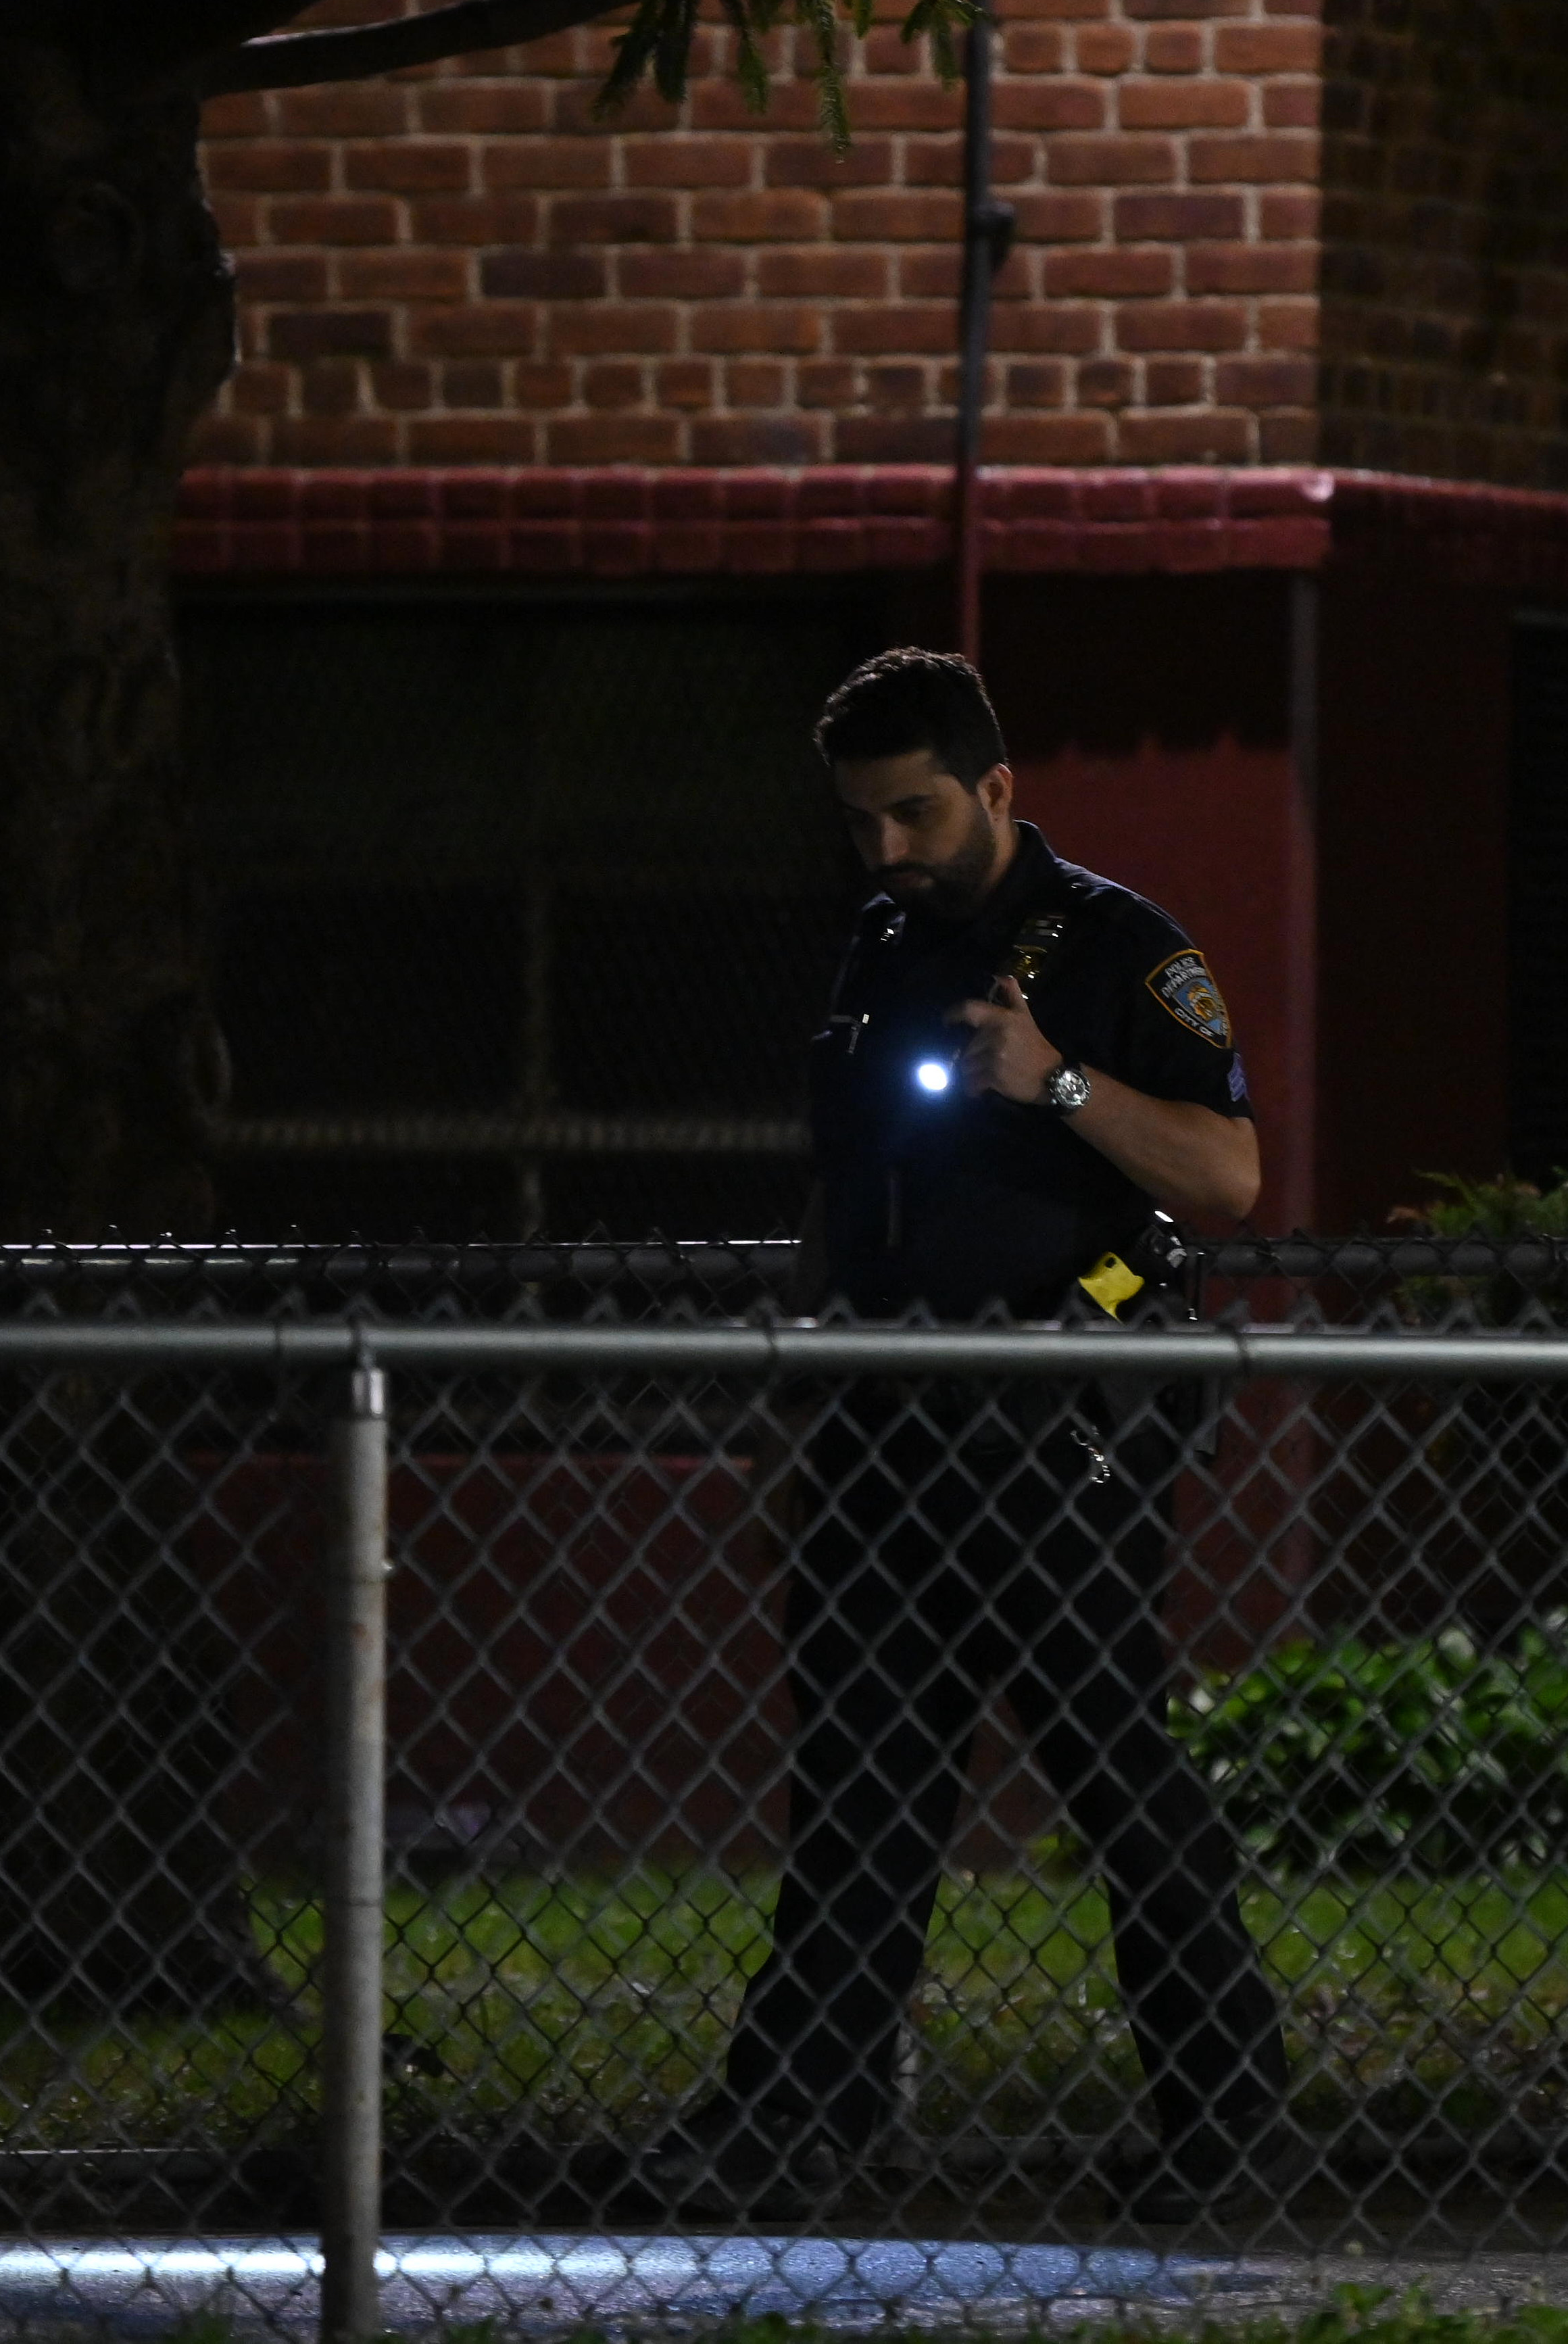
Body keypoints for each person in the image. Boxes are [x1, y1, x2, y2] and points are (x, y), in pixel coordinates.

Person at [638, 646, 1295, 2224]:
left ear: (996, 789)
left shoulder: (1117, 948)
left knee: (1114, 1775)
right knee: (861, 1784)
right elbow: (838, 1193)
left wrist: (1056, 1081)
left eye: (916, 815)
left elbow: (1226, 1182)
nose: (888, 851)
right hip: (876, 1422)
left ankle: (1231, 2127)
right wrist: (794, 1411)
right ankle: (800, 2117)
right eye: (861, 822)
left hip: (1054, 1428)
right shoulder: (874, 947)